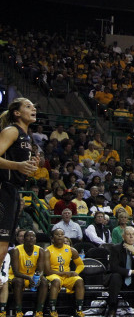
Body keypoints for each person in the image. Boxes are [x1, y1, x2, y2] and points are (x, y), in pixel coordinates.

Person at [0, 98, 39, 276]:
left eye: (34, 107)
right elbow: (14, 165)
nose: (34, 109)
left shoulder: (27, 137)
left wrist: (29, 168)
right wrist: (18, 166)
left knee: (4, 244)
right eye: (28, 106)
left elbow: (19, 166)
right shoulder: (11, 131)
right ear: (17, 113)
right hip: (3, 189)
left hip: (13, 190)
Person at [107, 226, 134, 317]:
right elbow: (114, 267)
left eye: (133, 234)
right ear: (123, 236)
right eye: (128, 234)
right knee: (115, 276)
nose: (131, 236)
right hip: (121, 279)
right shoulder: (115, 248)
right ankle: (112, 309)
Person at [43, 228, 86, 317]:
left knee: (79, 281)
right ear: (52, 238)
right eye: (57, 234)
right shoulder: (47, 251)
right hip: (53, 275)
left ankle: (79, 310)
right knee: (56, 281)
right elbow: (47, 271)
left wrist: (76, 272)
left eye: (62, 234)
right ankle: (52, 310)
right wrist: (65, 274)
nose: (60, 236)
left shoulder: (71, 250)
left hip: (67, 277)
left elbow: (81, 265)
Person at [9, 230, 47, 317]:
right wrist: (29, 278)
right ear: (24, 239)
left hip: (31, 277)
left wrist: (37, 277)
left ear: (36, 239)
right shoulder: (16, 250)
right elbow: (16, 272)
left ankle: (39, 311)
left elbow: (41, 270)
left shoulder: (40, 250)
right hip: (18, 276)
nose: (31, 238)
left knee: (44, 281)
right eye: (28, 236)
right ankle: (18, 310)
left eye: (33, 236)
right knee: (19, 281)